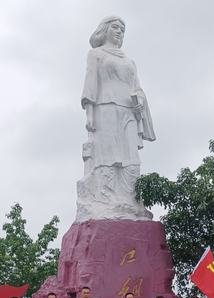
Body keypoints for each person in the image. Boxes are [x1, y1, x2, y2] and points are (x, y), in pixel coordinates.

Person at [77, 16, 157, 221]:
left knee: (131, 156)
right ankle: (106, 200)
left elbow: (137, 87)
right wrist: (90, 113)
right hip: (106, 107)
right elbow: (90, 84)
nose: (120, 31)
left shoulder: (130, 61)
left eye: (123, 29)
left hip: (129, 111)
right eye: (115, 27)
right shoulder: (96, 54)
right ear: (104, 30)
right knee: (108, 154)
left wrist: (139, 100)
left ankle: (130, 201)